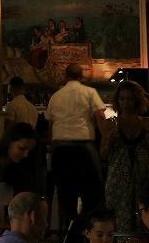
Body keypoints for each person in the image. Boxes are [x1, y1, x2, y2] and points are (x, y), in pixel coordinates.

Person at [46, 63, 107, 230]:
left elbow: (50, 127)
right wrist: (105, 141)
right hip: (84, 148)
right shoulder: (89, 92)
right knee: (92, 194)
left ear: (65, 77)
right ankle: (87, 231)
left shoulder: (56, 96)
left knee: (66, 196)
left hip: (60, 149)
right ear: (81, 77)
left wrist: (51, 147)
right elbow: (100, 117)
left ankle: (68, 233)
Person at [101, 80, 149, 233]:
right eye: (122, 99)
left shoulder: (147, 123)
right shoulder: (111, 124)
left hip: (142, 177)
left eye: (129, 99)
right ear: (117, 101)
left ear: (136, 100)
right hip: (118, 180)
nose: (125, 103)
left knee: (143, 221)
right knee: (120, 223)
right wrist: (110, 138)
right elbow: (103, 154)